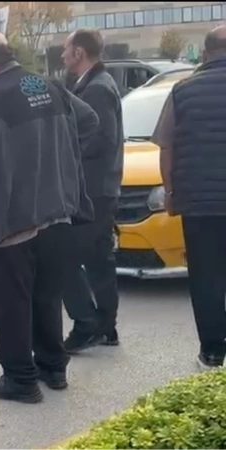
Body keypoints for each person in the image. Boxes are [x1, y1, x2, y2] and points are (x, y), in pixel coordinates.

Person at [0, 31, 99, 403]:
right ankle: (53, 368)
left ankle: (20, 378)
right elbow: (89, 120)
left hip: (13, 221)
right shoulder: (48, 85)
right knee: (46, 296)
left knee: (4, 300)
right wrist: (55, 154)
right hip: (59, 212)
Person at [154, 25, 226, 370]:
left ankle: (212, 353)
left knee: (206, 277)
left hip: (199, 204)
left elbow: (166, 146)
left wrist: (170, 192)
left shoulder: (182, 91)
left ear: (206, 52)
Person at [60, 29, 124, 354]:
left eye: (66, 49)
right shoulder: (93, 83)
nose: (62, 55)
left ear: (79, 52)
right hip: (99, 189)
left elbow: (100, 139)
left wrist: (63, 157)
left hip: (93, 190)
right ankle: (105, 327)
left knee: (63, 260)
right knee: (99, 261)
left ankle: (87, 324)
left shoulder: (97, 88)